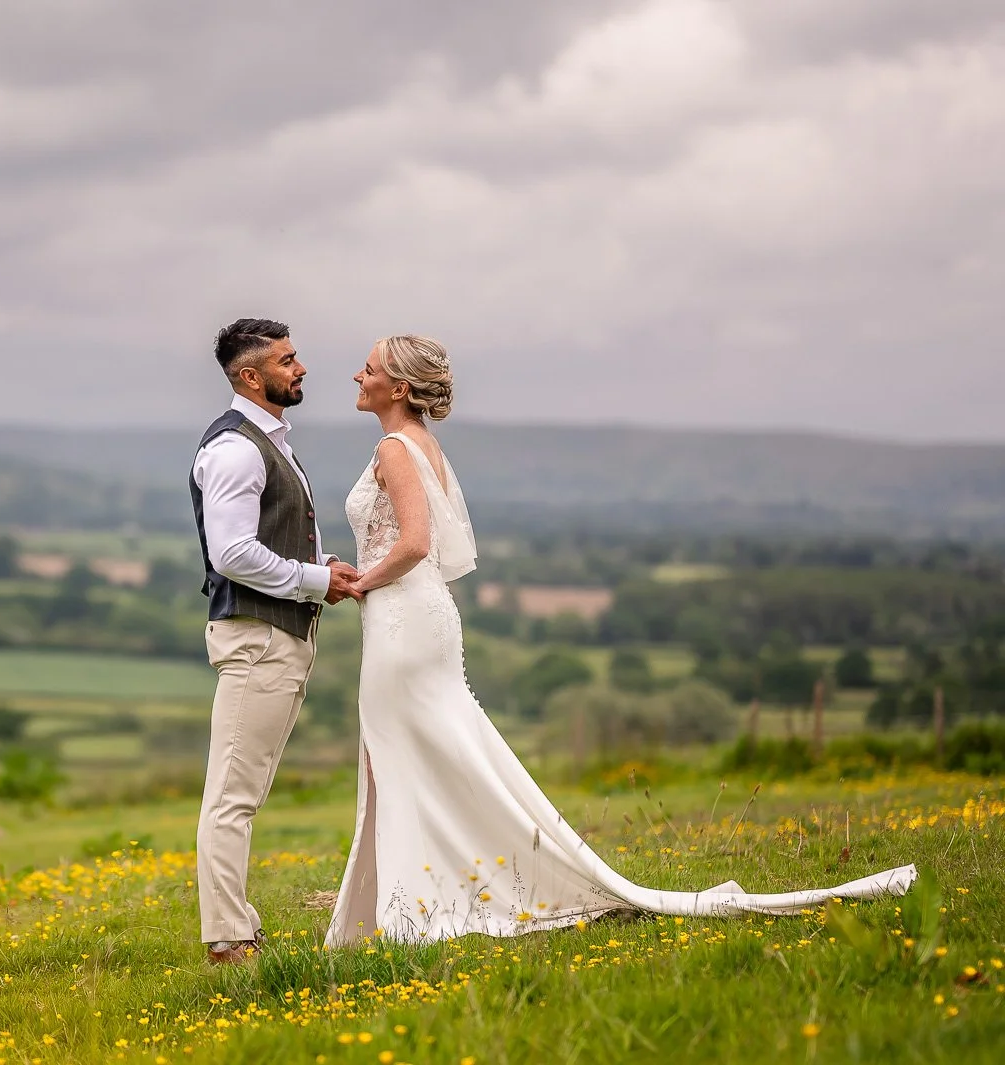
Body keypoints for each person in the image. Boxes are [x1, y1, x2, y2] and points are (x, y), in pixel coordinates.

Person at [325, 334, 916, 944]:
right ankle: (406, 902)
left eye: (366, 369)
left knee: (401, 754)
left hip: (403, 618)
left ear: (398, 387)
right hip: (417, 618)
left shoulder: (395, 447)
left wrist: (359, 582)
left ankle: (411, 910)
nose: (355, 376)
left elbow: (416, 542)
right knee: (419, 753)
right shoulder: (423, 444)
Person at [190, 317, 362, 965]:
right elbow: (233, 552)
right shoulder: (237, 448)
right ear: (249, 376)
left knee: (243, 791)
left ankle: (237, 923)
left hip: (275, 633)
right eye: (287, 360)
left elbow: (271, 537)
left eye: (297, 356)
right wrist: (315, 580)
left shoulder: (266, 440)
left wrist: (324, 567)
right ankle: (229, 937)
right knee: (233, 795)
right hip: (257, 638)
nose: (301, 368)